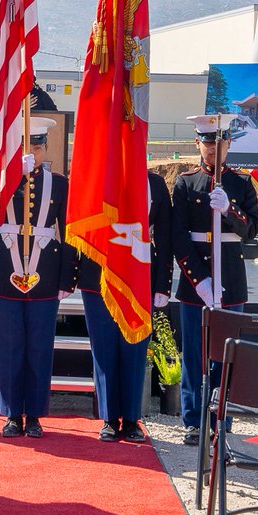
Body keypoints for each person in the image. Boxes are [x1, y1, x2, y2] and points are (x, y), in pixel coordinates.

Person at [0, 118, 75, 439]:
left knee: (40, 347)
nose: (33, 151)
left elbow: (69, 231)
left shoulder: (59, 183)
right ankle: (11, 414)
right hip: (6, 269)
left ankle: (34, 415)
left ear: (46, 149)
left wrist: (67, 278)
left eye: (38, 145)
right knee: (8, 345)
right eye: (26, 146)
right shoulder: (4, 178)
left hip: (45, 271)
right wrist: (12, 174)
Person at [172, 116, 258, 446]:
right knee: (194, 355)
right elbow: (179, 237)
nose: (213, 149)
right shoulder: (186, 183)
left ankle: (222, 419)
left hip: (231, 281)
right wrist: (200, 281)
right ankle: (194, 421)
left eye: (219, 143)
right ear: (198, 144)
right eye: (208, 143)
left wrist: (230, 210)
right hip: (197, 282)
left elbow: (251, 230)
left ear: (229, 145)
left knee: (226, 354)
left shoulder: (241, 182)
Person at [78, 171, 173, 441]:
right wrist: (70, 275)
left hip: (138, 275)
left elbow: (165, 236)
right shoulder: (97, 176)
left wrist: (163, 284)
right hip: (100, 274)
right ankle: (109, 418)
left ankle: (132, 418)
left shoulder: (154, 184)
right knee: (104, 347)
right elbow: (80, 223)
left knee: (135, 349)